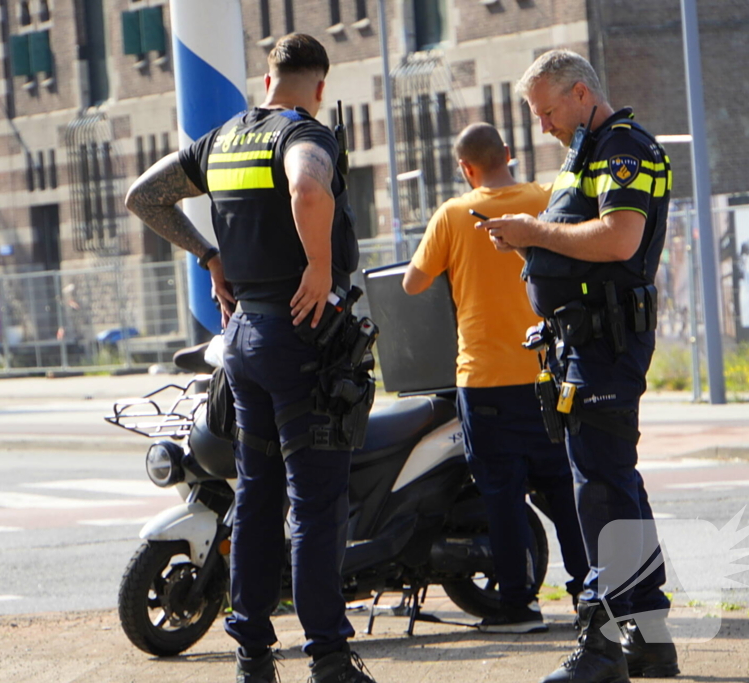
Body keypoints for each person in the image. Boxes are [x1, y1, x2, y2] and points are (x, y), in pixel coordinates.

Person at [124, 33, 375, 683]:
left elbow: (143, 197)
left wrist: (210, 256)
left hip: (243, 343)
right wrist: (317, 265)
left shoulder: (223, 140)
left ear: (268, 79)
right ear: (319, 86)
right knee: (316, 504)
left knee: (258, 498)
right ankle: (328, 659)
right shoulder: (303, 133)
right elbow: (309, 189)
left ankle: (253, 658)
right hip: (302, 338)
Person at [483, 49, 679, 683]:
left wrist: (535, 234)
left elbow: (620, 238)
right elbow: (578, 240)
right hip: (581, 342)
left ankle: (601, 647)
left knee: (601, 491)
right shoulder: (585, 153)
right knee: (615, 483)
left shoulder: (622, 148)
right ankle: (648, 637)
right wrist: (530, 241)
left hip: (606, 344)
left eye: (546, 112)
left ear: (579, 93)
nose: (542, 126)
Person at [402, 123, 588, 634]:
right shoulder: (543, 198)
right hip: (546, 374)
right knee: (564, 490)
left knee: (501, 498)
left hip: (483, 381)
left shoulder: (453, 215)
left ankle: (518, 606)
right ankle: (588, 596)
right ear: (507, 153)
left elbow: (412, 283)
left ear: (465, 168)